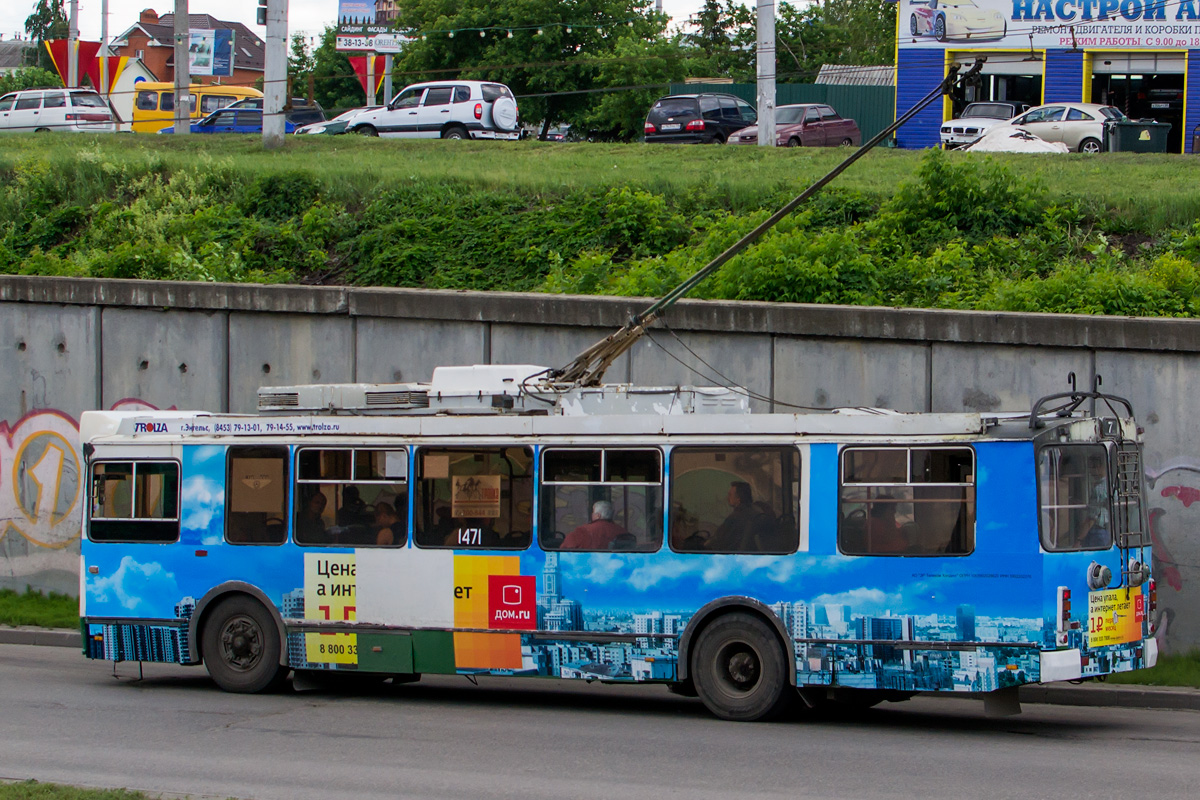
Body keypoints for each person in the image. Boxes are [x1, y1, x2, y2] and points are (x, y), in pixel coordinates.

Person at [707, 482, 762, 552]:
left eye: (730, 495)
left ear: (738, 499)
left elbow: (718, 540)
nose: (728, 497)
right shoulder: (755, 511)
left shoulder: (735, 517)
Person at [561, 500, 627, 550]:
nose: (592, 514)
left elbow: (564, 549)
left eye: (592, 512)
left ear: (598, 515)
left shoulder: (583, 531)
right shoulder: (623, 532)